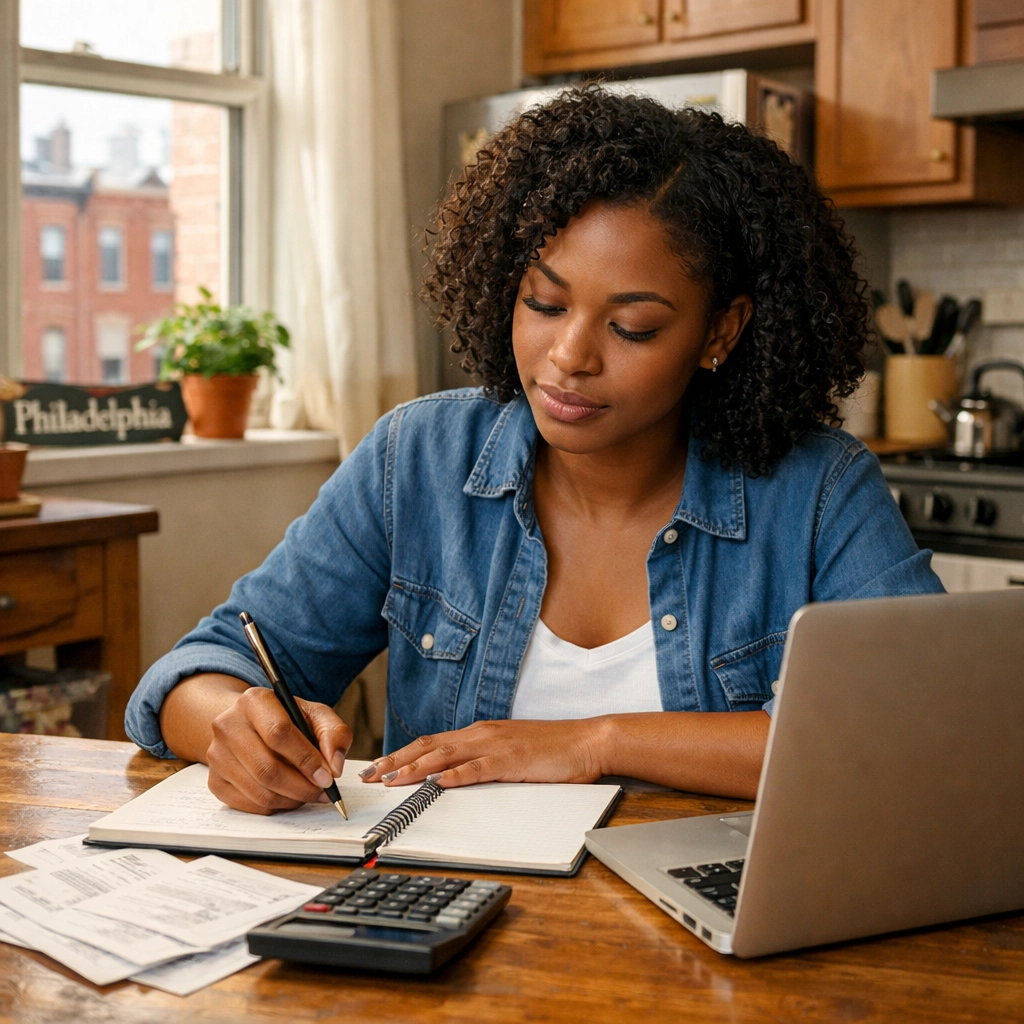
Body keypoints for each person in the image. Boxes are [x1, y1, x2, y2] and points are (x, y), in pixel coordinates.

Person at [126, 86, 942, 814]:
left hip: (709, 936)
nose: (569, 356)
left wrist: (595, 742)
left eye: (633, 327)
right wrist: (231, 727)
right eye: (544, 303)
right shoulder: (418, 458)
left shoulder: (816, 490)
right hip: (448, 928)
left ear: (719, 331)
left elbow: (918, 728)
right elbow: (206, 666)